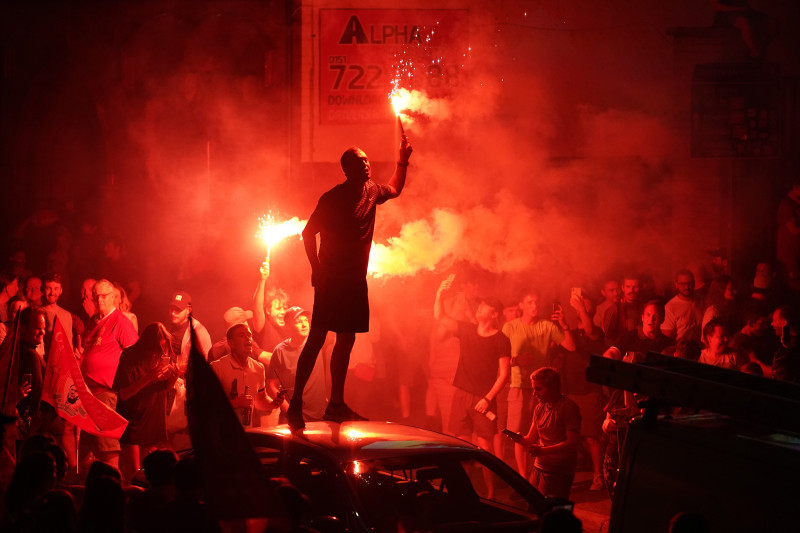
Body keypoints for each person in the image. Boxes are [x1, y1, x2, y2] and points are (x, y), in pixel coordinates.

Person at [287, 137, 413, 430]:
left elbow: (395, 188)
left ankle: (336, 405)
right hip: (332, 279)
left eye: (366, 160)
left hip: (355, 282)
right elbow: (307, 233)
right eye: (359, 162)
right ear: (346, 170)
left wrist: (402, 161)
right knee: (317, 338)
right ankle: (296, 404)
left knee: (346, 340)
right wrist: (317, 269)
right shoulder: (332, 198)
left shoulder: (372, 191)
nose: (366, 165)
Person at [433, 276, 510, 455]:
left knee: (485, 447)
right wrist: (439, 294)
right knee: (462, 445)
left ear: (495, 314)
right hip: (461, 395)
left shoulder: (501, 339)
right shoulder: (467, 330)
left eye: (485, 306)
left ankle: (489, 475)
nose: (480, 307)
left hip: (483, 399)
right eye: (480, 304)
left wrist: (487, 399)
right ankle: (466, 474)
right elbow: (440, 316)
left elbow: (504, 374)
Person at [502, 293, 575, 477]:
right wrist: (517, 360)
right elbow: (497, 356)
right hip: (518, 386)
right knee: (519, 434)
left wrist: (564, 324)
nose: (534, 305)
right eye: (530, 302)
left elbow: (571, 346)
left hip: (542, 389)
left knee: (541, 432)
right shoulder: (510, 327)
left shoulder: (547, 326)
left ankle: (538, 473)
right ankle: (523, 478)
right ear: (521, 305)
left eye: (536, 302)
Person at [78, 279, 138, 471]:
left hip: (106, 393)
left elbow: (134, 355)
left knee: (108, 446)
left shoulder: (120, 322)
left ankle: (113, 482)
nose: (100, 300)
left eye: (104, 296)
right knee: (87, 449)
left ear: (113, 297)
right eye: (96, 296)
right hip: (88, 393)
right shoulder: (92, 322)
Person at [112, 323, 179, 484]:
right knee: (134, 474)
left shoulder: (162, 357)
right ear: (147, 345)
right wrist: (149, 377)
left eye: (164, 347)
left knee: (150, 472)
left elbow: (163, 388)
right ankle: (131, 497)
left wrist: (173, 378)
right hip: (133, 418)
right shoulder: (130, 356)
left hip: (153, 416)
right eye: (158, 348)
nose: (160, 352)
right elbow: (124, 394)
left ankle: (148, 497)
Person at [520, 367, 581, 499]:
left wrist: (543, 451)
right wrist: (518, 439)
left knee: (553, 509)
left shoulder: (568, 407)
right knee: (533, 503)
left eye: (538, 389)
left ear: (553, 387)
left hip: (558, 470)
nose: (534, 394)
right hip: (539, 466)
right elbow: (531, 438)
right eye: (533, 389)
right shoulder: (539, 408)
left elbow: (573, 443)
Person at [210, 323, 281, 427]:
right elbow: (207, 404)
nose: (248, 338)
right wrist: (236, 403)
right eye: (242, 335)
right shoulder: (216, 368)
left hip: (247, 432)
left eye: (249, 335)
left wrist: (274, 403)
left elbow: (260, 400)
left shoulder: (258, 368)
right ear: (231, 343)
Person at [269, 307, 326, 424]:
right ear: (288, 326)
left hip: (320, 416)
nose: (304, 325)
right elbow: (271, 385)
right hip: (294, 418)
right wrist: (289, 410)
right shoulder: (280, 351)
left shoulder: (317, 344)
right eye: (299, 322)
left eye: (306, 320)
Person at [251, 260, 291, 355]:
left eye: (285, 308)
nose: (283, 312)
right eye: (278, 308)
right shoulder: (263, 327)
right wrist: (262, 280)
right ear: (268, 310)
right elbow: (257, 309)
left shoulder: (289, 329)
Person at [661, 269, 704, 343]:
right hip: (681, 349)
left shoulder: (700, 301)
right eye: (682, 284)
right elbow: (666, 339)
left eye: (689, 283)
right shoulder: (670, 308)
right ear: (676, 285)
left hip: (700, 348)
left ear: (693, 283)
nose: (686, 287)